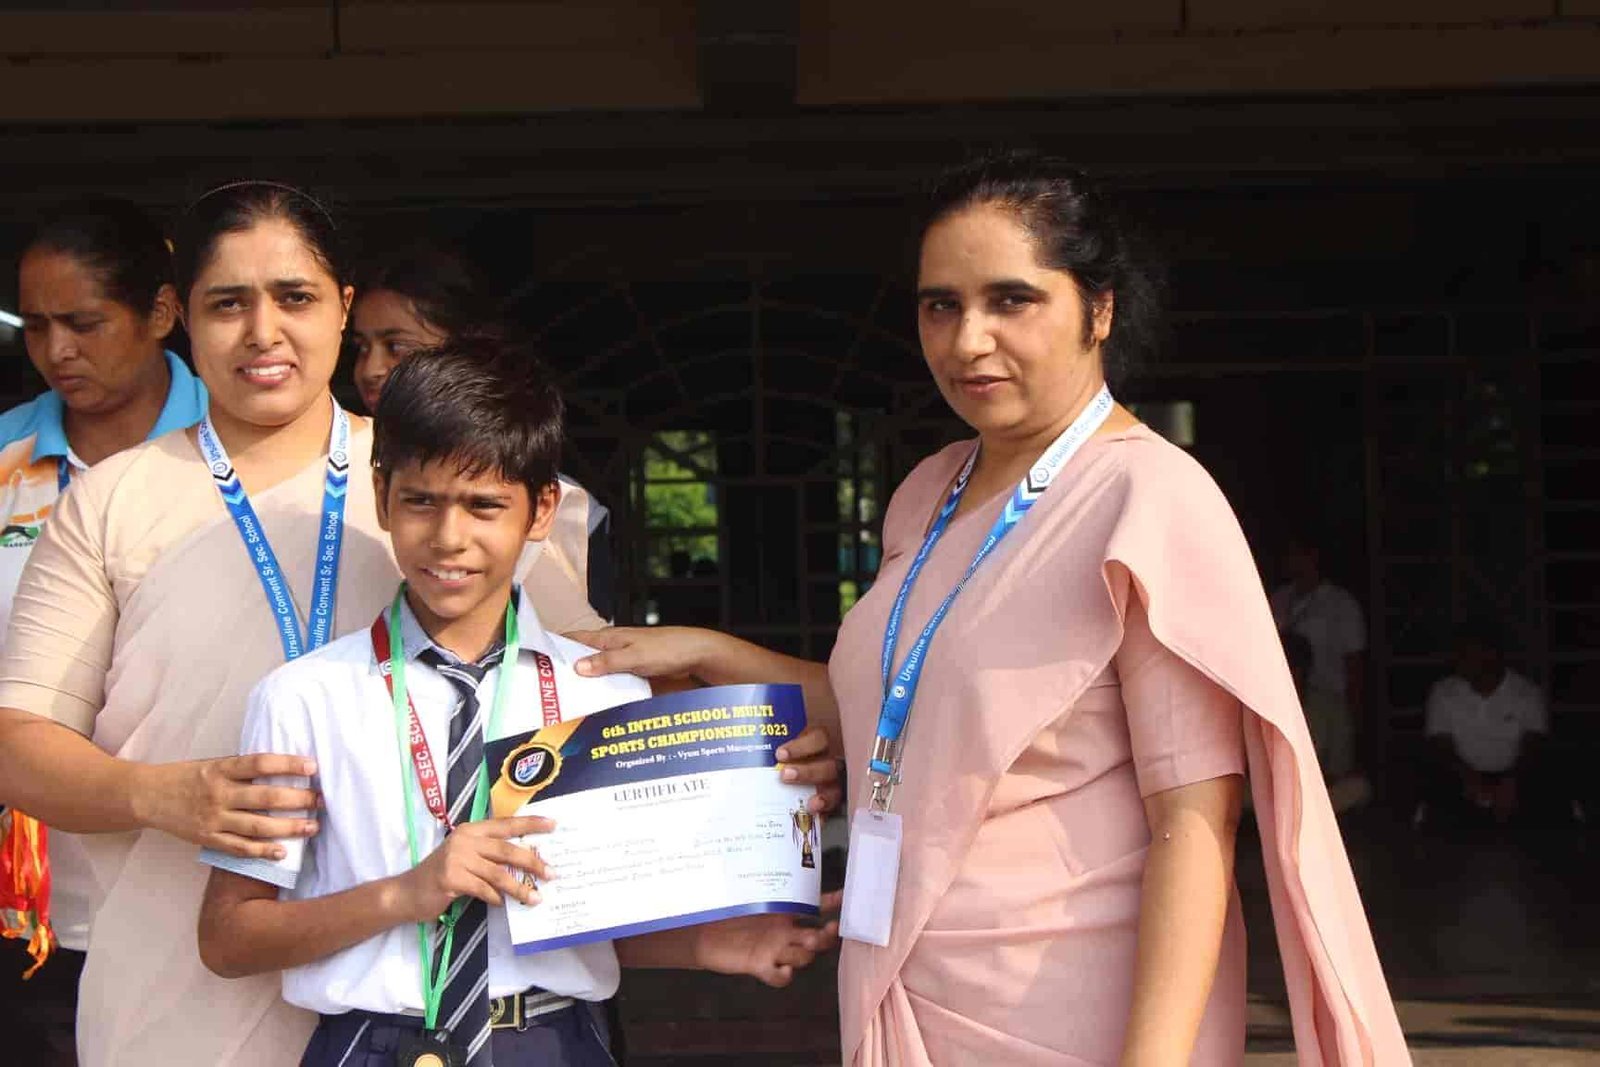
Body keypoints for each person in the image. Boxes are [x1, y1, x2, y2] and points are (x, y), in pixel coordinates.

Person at [569, 153, 1407, 1064]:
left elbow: (1194, 821)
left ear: (1099, 309)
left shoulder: (1149, 496)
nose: (968, 340)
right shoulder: (929, 490)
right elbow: (907, 709)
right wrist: (709, 653)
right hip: (903, 975)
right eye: (941, 305)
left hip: (1064, 1008)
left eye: (1011, 300)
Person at [0, 181, 689, 1067]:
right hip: (178, 991)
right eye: (228, 304)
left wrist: (751, 731)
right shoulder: (110, 501)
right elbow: (19, 741)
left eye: (294, 297)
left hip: (423, 1004)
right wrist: (163, 795)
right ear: (183, 317)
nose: (263, 332)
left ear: (343, 308)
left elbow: (590, 677)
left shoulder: (434, 481)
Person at [197, 341, 837, 1066]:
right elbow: (228, 937)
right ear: (382, 497)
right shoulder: (303, 698)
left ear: (541, 509)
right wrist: (407, 893)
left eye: (485, 506)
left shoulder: (608, 696)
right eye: (421, 500)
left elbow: (591, 909)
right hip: (374, 1046)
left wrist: (709, 943)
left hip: (555, 1042)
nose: (449, 538)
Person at [0, 197, 209, 1063]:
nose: (57, 351)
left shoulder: (247, 446)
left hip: (206, 879)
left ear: (160, 311)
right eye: (36, 327)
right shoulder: (4, 459)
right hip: (27, 904)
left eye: (84, 324)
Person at [350, 238, 616, 623]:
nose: (371, 369)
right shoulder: (330, 475)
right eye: (361, 347)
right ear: (382, 495)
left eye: (397, 347)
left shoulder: (572, 511)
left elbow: (588, 642)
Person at [1423, 627, 1548, 825]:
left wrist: (1511, 782)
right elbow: (1440, 745)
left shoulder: (1527, 693)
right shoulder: (1443, 691)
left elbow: (1533, 745)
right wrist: (1469, 778)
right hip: (1459, 775)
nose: (1457, 659)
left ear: (1491, 655)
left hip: (1514, 776)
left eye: (1465, 653)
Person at [1271, 535, 1366, 781]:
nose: (1289, 561)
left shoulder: (1341, 604)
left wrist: (1355, 716)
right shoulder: (1279, 600)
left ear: (1313, 556)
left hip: (1330, 700)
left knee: (1335, 776)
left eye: (1295, 554)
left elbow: (1354, 665)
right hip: (1283, 704)